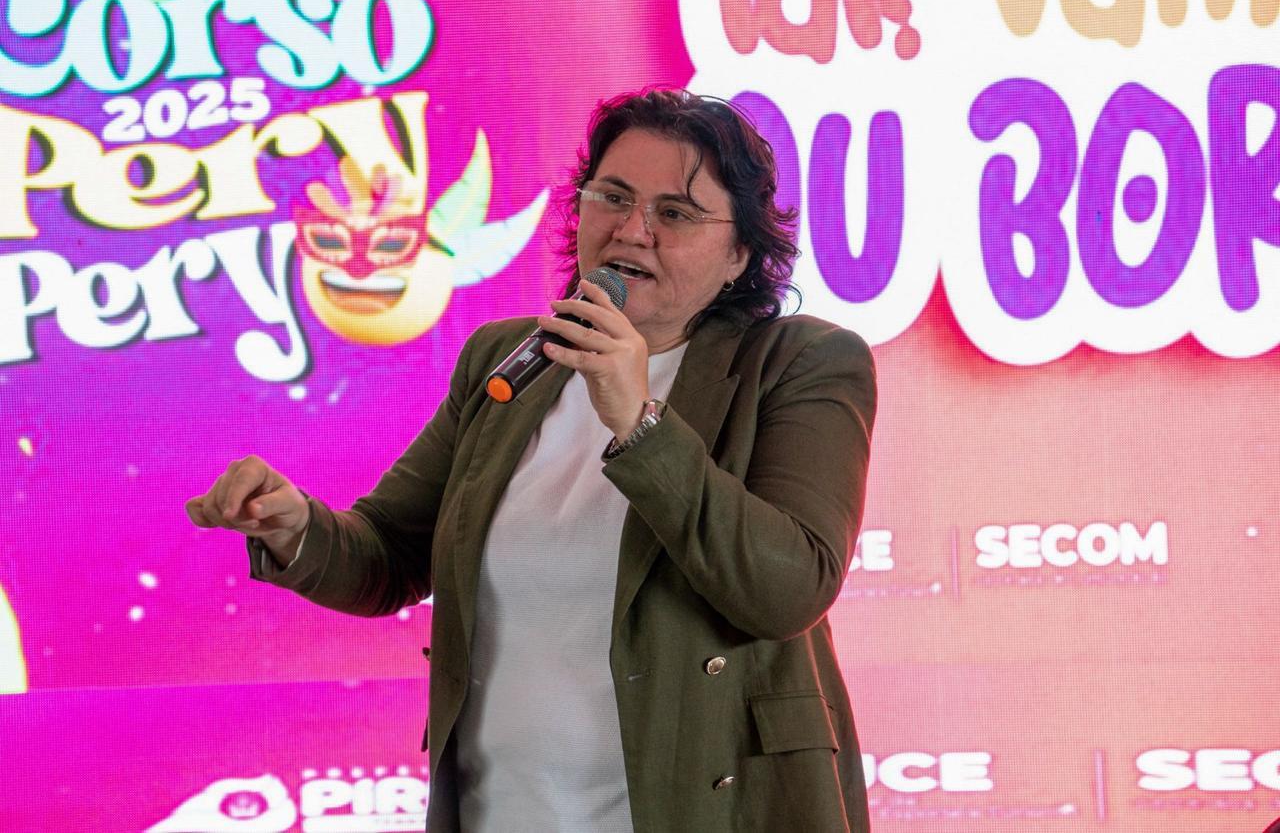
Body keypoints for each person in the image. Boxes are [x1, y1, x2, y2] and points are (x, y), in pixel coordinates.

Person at [187, 88, 877, 832]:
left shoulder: (802, 362)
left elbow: (787, 590)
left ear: (740, 253)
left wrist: (638, 420)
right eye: (613, 197)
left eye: (675, 213)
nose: (632, 230)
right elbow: (390, 552)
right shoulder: (507, 357)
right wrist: (295, 529)